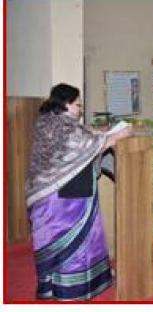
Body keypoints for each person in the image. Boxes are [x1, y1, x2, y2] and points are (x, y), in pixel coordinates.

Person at [26, 83, 132, 300]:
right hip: (63, 198)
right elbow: (86, 144)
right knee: (77, 242)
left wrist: (101, 132)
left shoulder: (50, 120)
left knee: (59, 241)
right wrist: (118, 135)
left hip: (52, 192)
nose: (80, 108)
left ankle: (53, 285)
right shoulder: (63, 128)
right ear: (65, 104)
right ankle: (73, 288)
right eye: (77, 104)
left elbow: (85, 133)